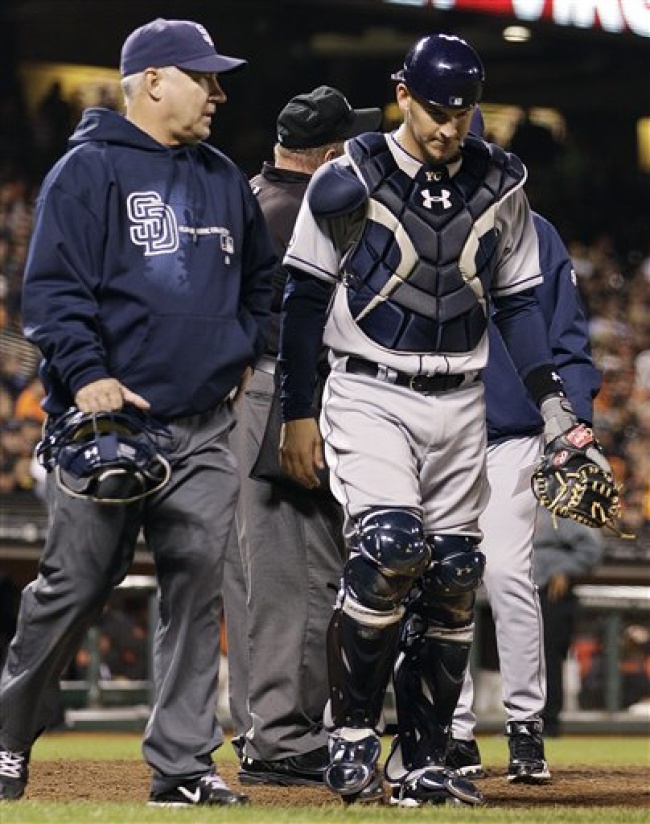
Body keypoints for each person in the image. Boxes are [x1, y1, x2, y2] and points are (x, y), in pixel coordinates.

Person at [277, 32, 612, 807]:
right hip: (370, 391)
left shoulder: (502, 186)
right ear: (404, 95)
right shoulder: (349, 177)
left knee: (457, 574)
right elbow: (301, 302)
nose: (447, 126)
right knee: (390, 550)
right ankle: (352, 732)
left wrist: (557, 410)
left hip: (465, 400)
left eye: (462, 112)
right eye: (435, 109)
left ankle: (429, 754)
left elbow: (524, 310)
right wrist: (297, 412)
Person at [0, 18, 275, 806]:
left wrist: (241, 352)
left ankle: (182, 767)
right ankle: (7, 736)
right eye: (203, 77)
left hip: (202, 427)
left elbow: (262, 284)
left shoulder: (223, 177)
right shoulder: (86, 170)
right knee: (75, 586)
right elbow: (51, 294)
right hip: (108, 428)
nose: (218, 92)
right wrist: (87, 375)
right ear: (153, 81)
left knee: (196, 588)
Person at [225, 86, 383, 787]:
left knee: (257, 576)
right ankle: (284, 736)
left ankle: (261, 728)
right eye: (348, 146)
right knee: (301, 571)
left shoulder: (252, 194)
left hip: (249, 392)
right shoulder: (304, 211)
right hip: (288, 393)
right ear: (328, 154)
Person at [447, 110, 603, 782]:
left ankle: (525, 726)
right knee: (441, 580)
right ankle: (450, 730)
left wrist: (574, 424)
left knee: (509, 576)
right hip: (432, 429)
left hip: (511, 434)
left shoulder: (535, 232)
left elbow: (568, 341)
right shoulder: (405, 220)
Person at [532, 507, 604, 736]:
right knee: (520, 658)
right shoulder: (515, 508)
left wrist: (563, 570)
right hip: (518, 590)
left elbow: (592, 549)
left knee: (548, 658)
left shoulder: (560, 510)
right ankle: (522, 723)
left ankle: (548, 724)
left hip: (551, 593)